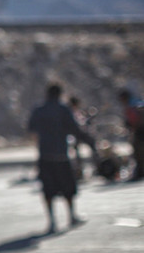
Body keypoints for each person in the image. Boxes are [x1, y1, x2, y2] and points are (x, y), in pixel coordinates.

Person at [27, 83, 94, 233]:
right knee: (68, 187)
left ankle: (52, 221)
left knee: (48, 189)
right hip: (61, 155)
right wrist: (89, 142)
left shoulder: (38, 109)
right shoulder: (63, 109)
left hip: (44, 155)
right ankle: (72, 216)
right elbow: (75, 129)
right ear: (59, 94)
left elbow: (31, 128)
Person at [118, 89, 144, 182]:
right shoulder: (137, 102)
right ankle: (140, 171)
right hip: (139, 131)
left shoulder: (132, 105)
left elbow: (133, 120)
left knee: (138, 152)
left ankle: (140, 172)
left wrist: (129, 126)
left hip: (140, 131)